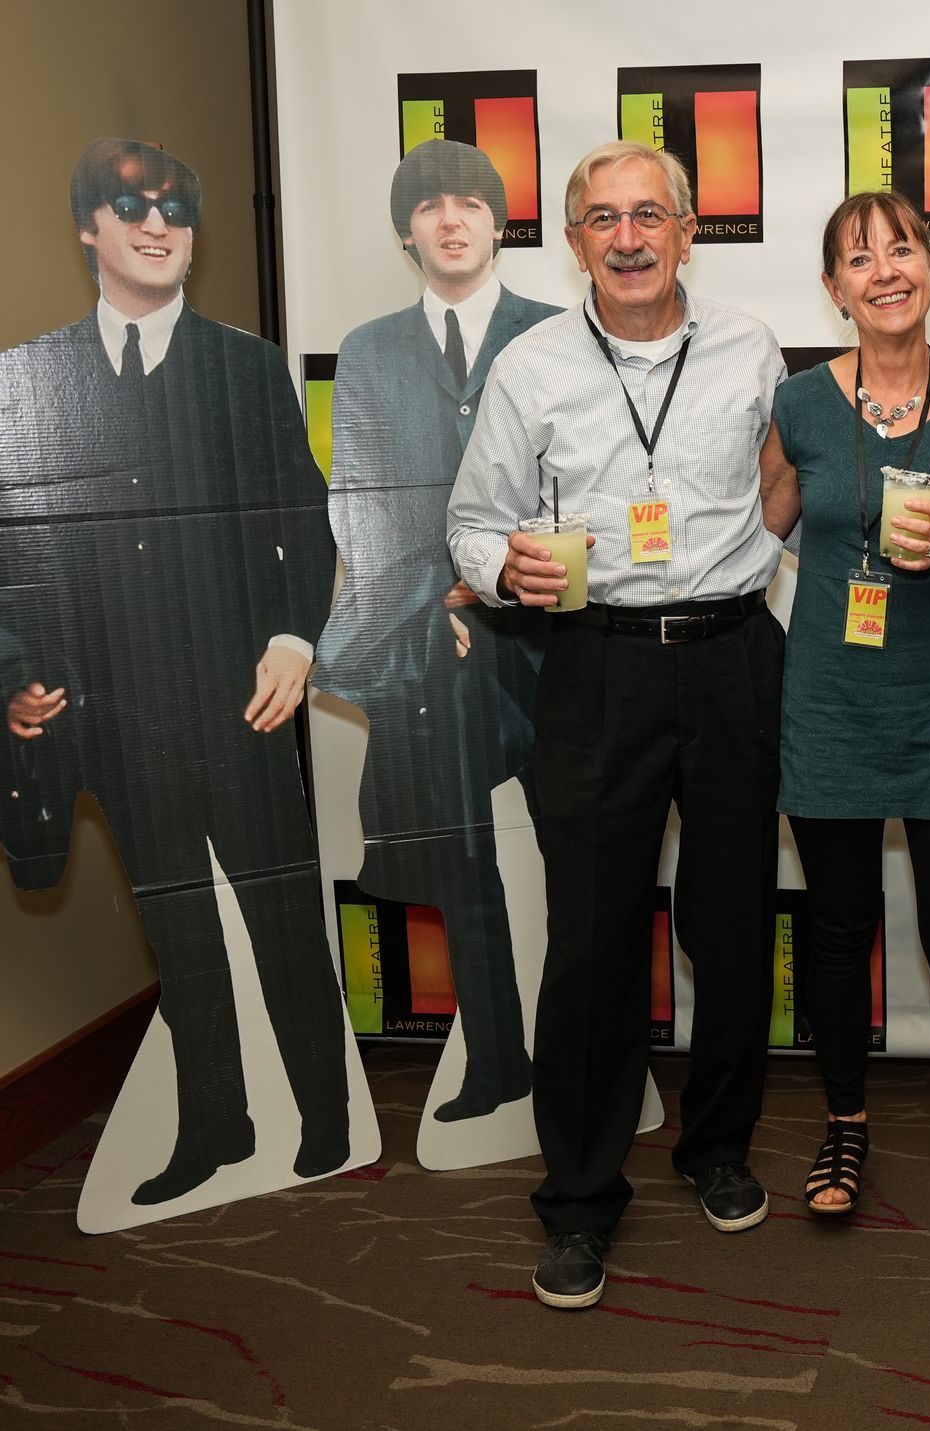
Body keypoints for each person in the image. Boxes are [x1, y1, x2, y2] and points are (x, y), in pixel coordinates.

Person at [447, 140, 786, 1309]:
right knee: (592, 944)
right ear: (576, 239)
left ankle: (717, 1145)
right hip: (596, 667)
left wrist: (764, 550)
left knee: (732, 923)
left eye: (652, 215)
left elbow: (784, 481)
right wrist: (507, 574)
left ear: (690, 230)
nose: (630, 237)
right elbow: (472, 524)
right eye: (604, 219)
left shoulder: (751, 348)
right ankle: (581, 1198)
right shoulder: (529, 368)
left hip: (737, 655)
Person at [0, 139, 352, 1206]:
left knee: (284, 920)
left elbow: (306, 519)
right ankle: (216, 1129)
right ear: (88, 227)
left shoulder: (246, 367)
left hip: (242, 707)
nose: (159, 225)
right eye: (133, 206)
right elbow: (11, 551)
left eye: (177, 210)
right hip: (114, 717)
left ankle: (327, 1122)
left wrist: (295, 643)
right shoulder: (29, 381)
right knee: (183, 933)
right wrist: (15, 673)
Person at [758, 192, 930, 1244]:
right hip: (827, 704)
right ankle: (842, 1125)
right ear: (833, 288)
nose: (884, 271)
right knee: (836, 934)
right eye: (858, 258)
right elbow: (761, 531)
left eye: (902, 249)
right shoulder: (800, 405)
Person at [314, 140, 558, 1124]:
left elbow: (577, 480)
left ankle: (597, 1059)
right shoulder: (370, 352)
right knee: (462, 863)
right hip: (436, 647)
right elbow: (363, 499)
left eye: (470, 202)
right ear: (405, 230)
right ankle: (500, 1061)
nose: (450, 218)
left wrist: (495, 583)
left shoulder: (557, 333)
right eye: (429, 205)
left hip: (553, 636)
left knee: (579, 859)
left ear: (500, 222)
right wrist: (433, 603)